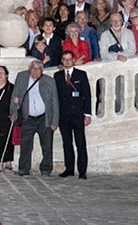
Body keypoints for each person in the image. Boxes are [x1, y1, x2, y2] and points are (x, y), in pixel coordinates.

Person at [11, 58, 58, 176]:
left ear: (42, 70)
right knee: (25, 145)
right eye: (33, 68)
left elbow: (54, 102)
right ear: (29, 69)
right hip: (28, 118)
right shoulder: (22, 77)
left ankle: (46, 169)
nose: (35, 71)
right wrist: (13, 112)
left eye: (38, 69)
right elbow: (15, 96)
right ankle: (24, 168)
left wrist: (54, 121)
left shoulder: (49, 81)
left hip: (44, 118)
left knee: (47, 145)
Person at [54, 49, 92, 179]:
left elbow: (87, 95)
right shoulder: (57, 76)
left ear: (73, 60)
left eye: (69, 59)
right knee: (67, 143)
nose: (67, 62)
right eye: (64, 59)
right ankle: (69, 168)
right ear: (62, 61)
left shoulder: (81, 75)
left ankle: (82, 171)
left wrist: (87, 114)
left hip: (77, 114)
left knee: (80, 143)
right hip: (64, 116)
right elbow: (56, 97)